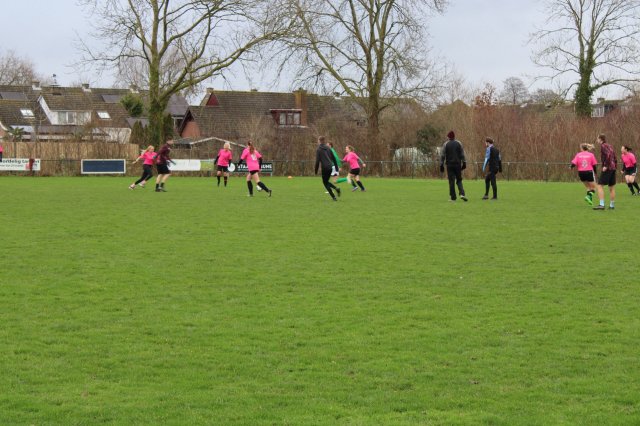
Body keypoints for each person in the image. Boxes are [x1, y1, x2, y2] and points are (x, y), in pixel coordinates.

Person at [439, 130, 468, 201]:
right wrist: (464, 163)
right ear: (454, 136)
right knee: (459, 179)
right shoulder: (459, 143)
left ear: (448, 137)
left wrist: (441, 165)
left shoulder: (446, 144)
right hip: (458, 164)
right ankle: (462, 194)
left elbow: (442, 155)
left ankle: (453, 197)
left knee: (451, 181)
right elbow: (462, 154)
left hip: (449, 165)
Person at [593, 134, 617, 210]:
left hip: (608, 168)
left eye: (597, 138)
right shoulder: (609, 145)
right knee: (611, 187)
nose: (597, 140)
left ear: (601, 139)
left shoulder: (603, 146)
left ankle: (601, 205)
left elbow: (608, 155)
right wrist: (615, 166)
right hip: (613, 168)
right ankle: (612, 205)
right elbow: (614, 156)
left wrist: (606, 166)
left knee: (599, 186)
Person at [315, 136, 341, 201]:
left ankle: (334, 197)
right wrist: (336, 168)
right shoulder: (328, 148)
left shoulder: (318, 149)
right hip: (330, 167)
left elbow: (317, 161)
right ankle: (336, 189)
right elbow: (334, 158)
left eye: (318, 140)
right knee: (326, 181)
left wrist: (316, 170)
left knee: (325, 183)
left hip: (324, 168)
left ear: (319, 141)